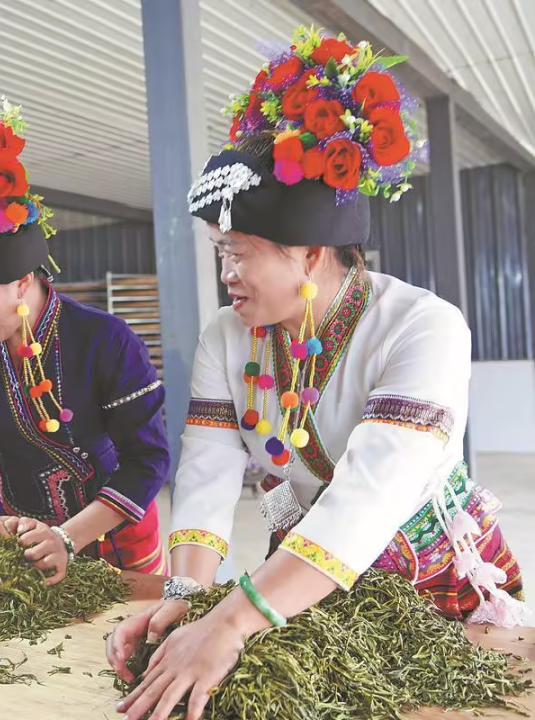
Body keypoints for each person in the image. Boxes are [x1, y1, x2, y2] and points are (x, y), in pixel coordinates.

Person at [107, 29, 527, 720]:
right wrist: (186, 600)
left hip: (422, 578)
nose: (226, 274)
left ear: (307, 252)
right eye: (219, 252)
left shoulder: (422, 326)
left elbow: (368, 497)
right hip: (294, 572)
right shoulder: (227, 337)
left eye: (238, 251)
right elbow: (207, 474)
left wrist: (232, 622)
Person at [0, 100, 170, 584]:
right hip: (19, 533)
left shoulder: (105, 339)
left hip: (112, 536)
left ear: (21, 281)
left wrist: (68, 538)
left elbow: (147, 459)